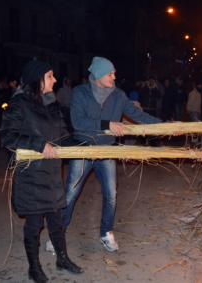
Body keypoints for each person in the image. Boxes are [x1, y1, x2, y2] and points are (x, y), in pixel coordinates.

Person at [56, 56, 162, 253]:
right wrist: (108, 125)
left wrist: (165, 126)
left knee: (111, 194)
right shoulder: (80, 92)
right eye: (110, 74)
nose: (114, 77)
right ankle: (57, 233)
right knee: (71, 193)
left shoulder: (119, 95)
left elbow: (139, 116)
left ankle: (106, 232)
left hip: (107, 151)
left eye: (114, 74)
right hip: (83, 148)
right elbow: (78, 122)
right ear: (98, 75)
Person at [1, 59, 84, 283]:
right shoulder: (19, 104)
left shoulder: (52, 103)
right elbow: (7, 137)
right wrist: (39, 145)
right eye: (50, 76)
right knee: (35, 224)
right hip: (31, 175)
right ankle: (34, 268)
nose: (55, 80)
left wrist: (86, 149)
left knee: (57, 220)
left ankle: (62, 259)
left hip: (52, 174)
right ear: (37, 80)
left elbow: (64, 136)